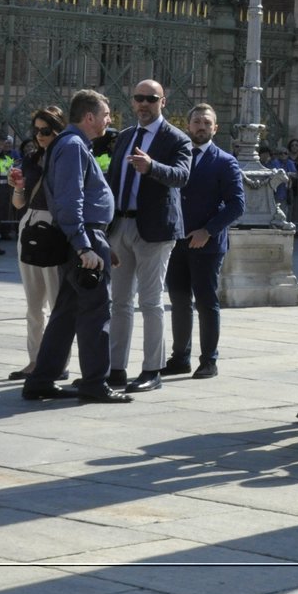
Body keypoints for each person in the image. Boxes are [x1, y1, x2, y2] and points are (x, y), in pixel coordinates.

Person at [22, 89, 131, 404]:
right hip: (83, 238)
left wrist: (98, 245)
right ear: (90, 117)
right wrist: (86, 247)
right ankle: (95, 383)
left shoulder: (70, 144)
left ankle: (41, 380)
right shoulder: (72, 146)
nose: (109, 122)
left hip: (85, 237)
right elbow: (71, 201)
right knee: (96, 312)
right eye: (106, 116)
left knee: (66, 312)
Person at [106, 79, 193, 392]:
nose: (143, 104)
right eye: (138, 98)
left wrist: (152, 166)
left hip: (154, 231)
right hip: (121, 227)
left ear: (163, 102)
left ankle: (151, 370)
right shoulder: (126, 136)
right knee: (119, 302)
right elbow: (113, 181)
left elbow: (182, 176)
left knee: (151, 301)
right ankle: (115, 369)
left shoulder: (177, 139)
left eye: (150, 99)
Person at [163, 104, 245, 380]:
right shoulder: (178, 157)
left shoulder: (224, 161)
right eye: (196, 121)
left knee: (206, 302)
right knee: (179, 299)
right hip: (176, 241)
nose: (201, 126)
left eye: (206, 123)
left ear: (215, 128)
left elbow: (237, 205)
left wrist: (208, 230)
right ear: (188, 126)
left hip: (207, 245)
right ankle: (180, 357)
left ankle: (209, 360)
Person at [7, 107, 67, 380]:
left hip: (54, 227)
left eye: (46, 131)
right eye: (37, 131)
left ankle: (57, 363)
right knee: (33, 304)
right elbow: (19, 203)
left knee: (56, 301)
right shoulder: (31, 159)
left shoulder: (68, 156)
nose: (40, 136)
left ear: (58, 130)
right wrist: (17, 186)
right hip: (29, 223)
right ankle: (34, 360)